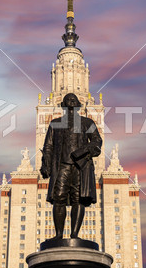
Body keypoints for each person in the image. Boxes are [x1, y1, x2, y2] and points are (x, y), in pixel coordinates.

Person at [40, 93, 102, 240]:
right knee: (59, 197)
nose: (71, 102)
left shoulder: (87, 123)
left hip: (81, 166)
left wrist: (84, 150)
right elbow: (48, 146)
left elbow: (97, 141)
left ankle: (74, 234)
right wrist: (46, 164)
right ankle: (59, 235)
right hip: (62, 166)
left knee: (78, 198)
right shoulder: (55, 123)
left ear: (78, 105)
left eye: (74, 100)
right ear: (63, 105)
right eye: (68, 100)